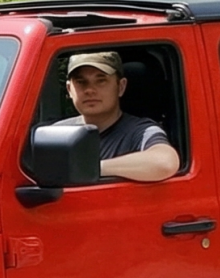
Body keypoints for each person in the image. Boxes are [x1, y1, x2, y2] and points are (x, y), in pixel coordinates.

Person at [56, 50, 180, 182]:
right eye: (81, 82)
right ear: (69, 89)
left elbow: (165, 163)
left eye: (101, 81)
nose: (89, 90)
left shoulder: (140, 131)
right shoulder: (56, 134)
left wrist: (92, 168)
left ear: (121, 87)